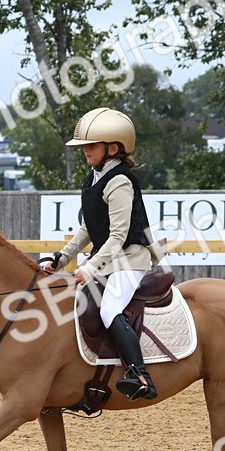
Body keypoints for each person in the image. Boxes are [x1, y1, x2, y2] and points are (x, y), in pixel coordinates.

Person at [41, 107, 163, 400]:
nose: (85, 151)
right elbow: (87, 229)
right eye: (84, 146)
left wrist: (90, 268)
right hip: (110, 259)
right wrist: (61, 257)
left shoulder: (119, 180)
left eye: (91, 145)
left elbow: (119, 236)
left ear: (112, 148)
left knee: (109, 309)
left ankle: (140, 375)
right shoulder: (94, 177)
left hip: (130, 259)